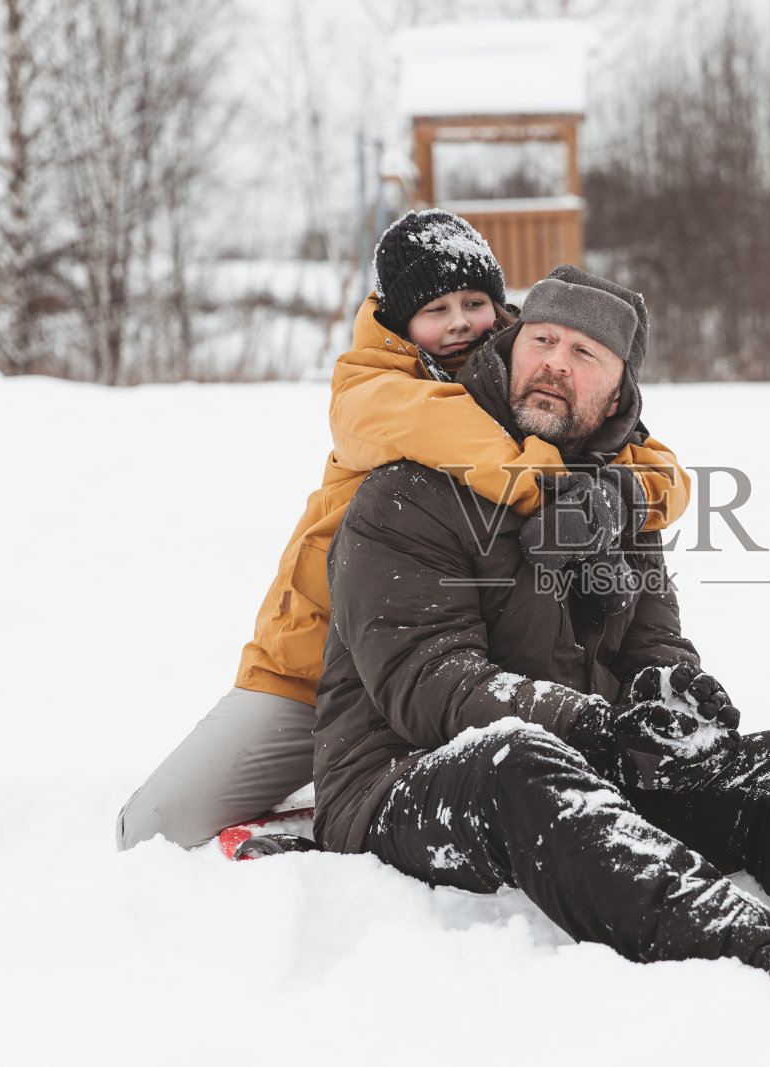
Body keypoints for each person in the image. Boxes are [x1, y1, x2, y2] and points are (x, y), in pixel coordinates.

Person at [314, 266, 770, 1036]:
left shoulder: (620, 493)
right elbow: (429, 683)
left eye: (585, 352)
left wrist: (674, 690)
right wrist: (592, 722)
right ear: (511, 347)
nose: (556, 362)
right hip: (405, 775)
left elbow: (654, 638)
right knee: (516, 760)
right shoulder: (408, 489)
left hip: (583, 749)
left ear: (619, 389)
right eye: (543, 340)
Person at [116, 212, 690, 850]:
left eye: (474, 303)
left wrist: (624, 498)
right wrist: (564, 492)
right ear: (395, 319)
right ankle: (328, 789)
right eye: (434, 308)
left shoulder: (533, 371)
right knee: (152, 832)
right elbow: (474, 449)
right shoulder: (376, 390)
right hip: (313, 668)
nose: (458, 323)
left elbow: (656, 461)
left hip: (443, 658)